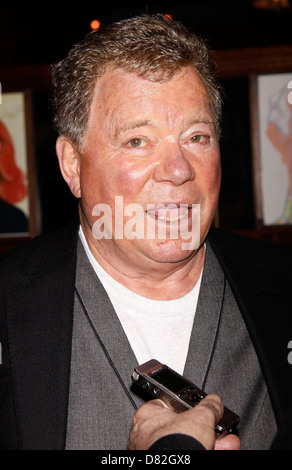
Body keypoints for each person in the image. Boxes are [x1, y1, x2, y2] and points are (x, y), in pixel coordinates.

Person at [0, 14, 291, 450]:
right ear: (73, 165)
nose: (178, 170)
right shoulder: (7, 303)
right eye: (138, 140)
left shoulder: (284, 285)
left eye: (197, 137)